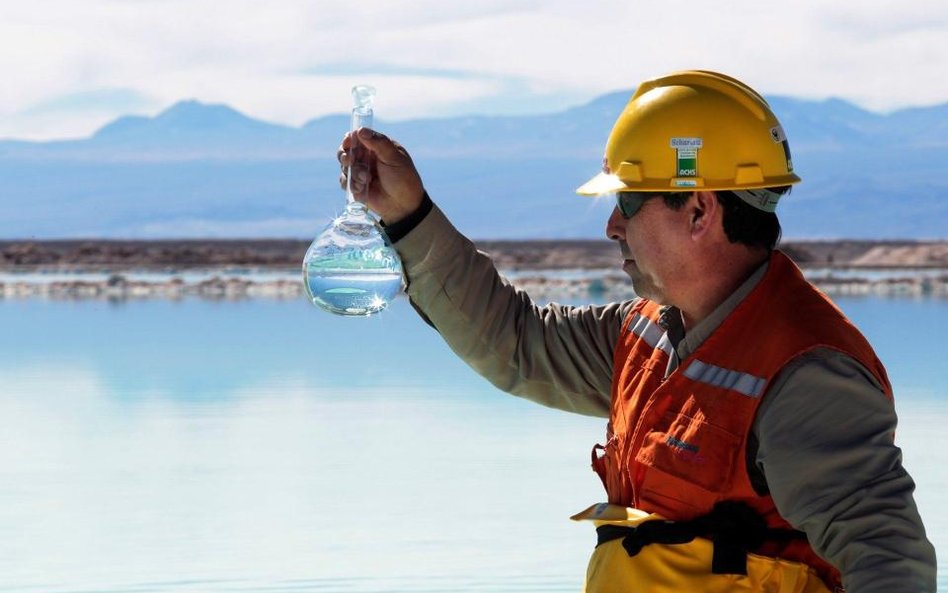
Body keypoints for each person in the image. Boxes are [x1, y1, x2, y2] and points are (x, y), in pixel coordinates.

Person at [336, 70, 936, 592]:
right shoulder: (646, 333)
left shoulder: (806, 375)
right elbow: (515, 344)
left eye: (626, 203)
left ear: (699, 210)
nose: (610, 227)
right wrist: (409, 215)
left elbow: (887, 559)